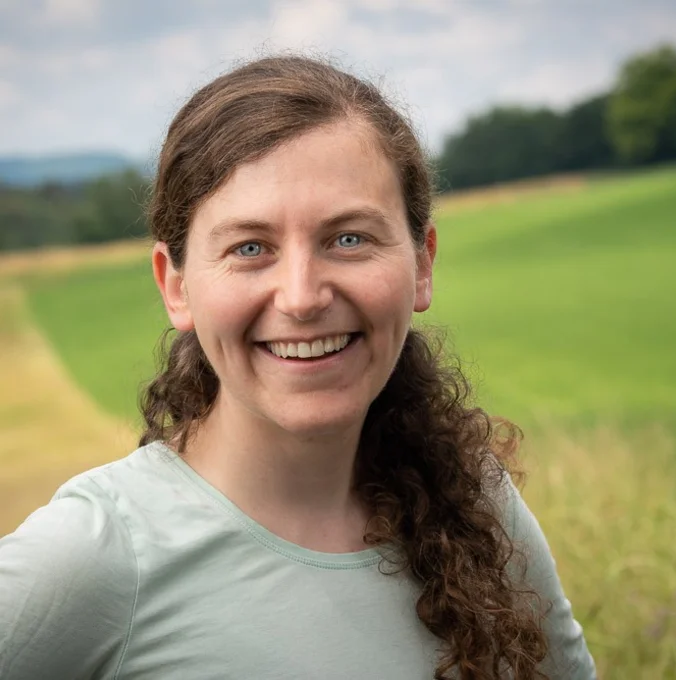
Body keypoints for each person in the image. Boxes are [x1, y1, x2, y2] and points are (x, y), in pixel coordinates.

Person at [0, 55, 596, 680]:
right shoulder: (97, 558)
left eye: (349, 238)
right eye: (250, 248)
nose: (303, 296)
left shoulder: (475, 503)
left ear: (423, 263)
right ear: (175, 286)